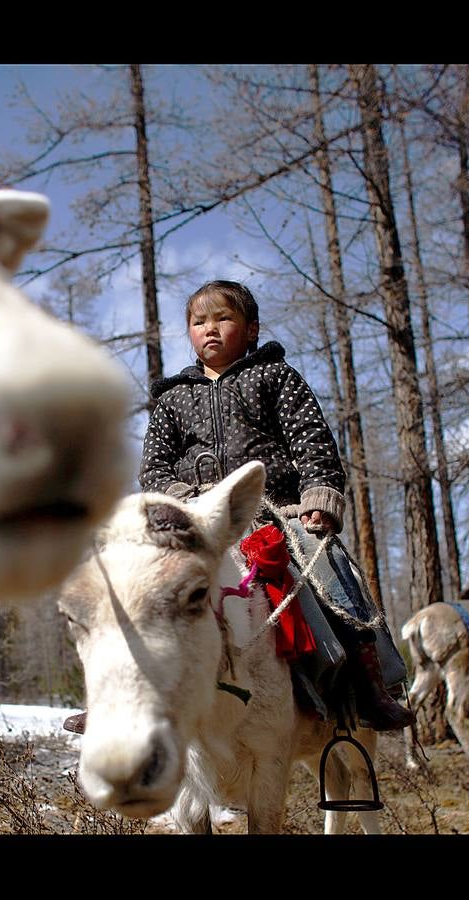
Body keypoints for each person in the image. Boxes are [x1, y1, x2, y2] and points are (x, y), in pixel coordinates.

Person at [64, 279, 411, 735]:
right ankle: (116, 696)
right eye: (198, 321)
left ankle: (370, 687)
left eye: (223, 318)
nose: (210, 329)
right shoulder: (171, 399)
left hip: (278, 515)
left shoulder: (276, 376)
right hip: (197, 521)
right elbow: (154, 469)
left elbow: (312, 442)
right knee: (136, 585)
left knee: (331, 573)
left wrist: (318, 498)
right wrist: (186, 502)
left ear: (251, 330)